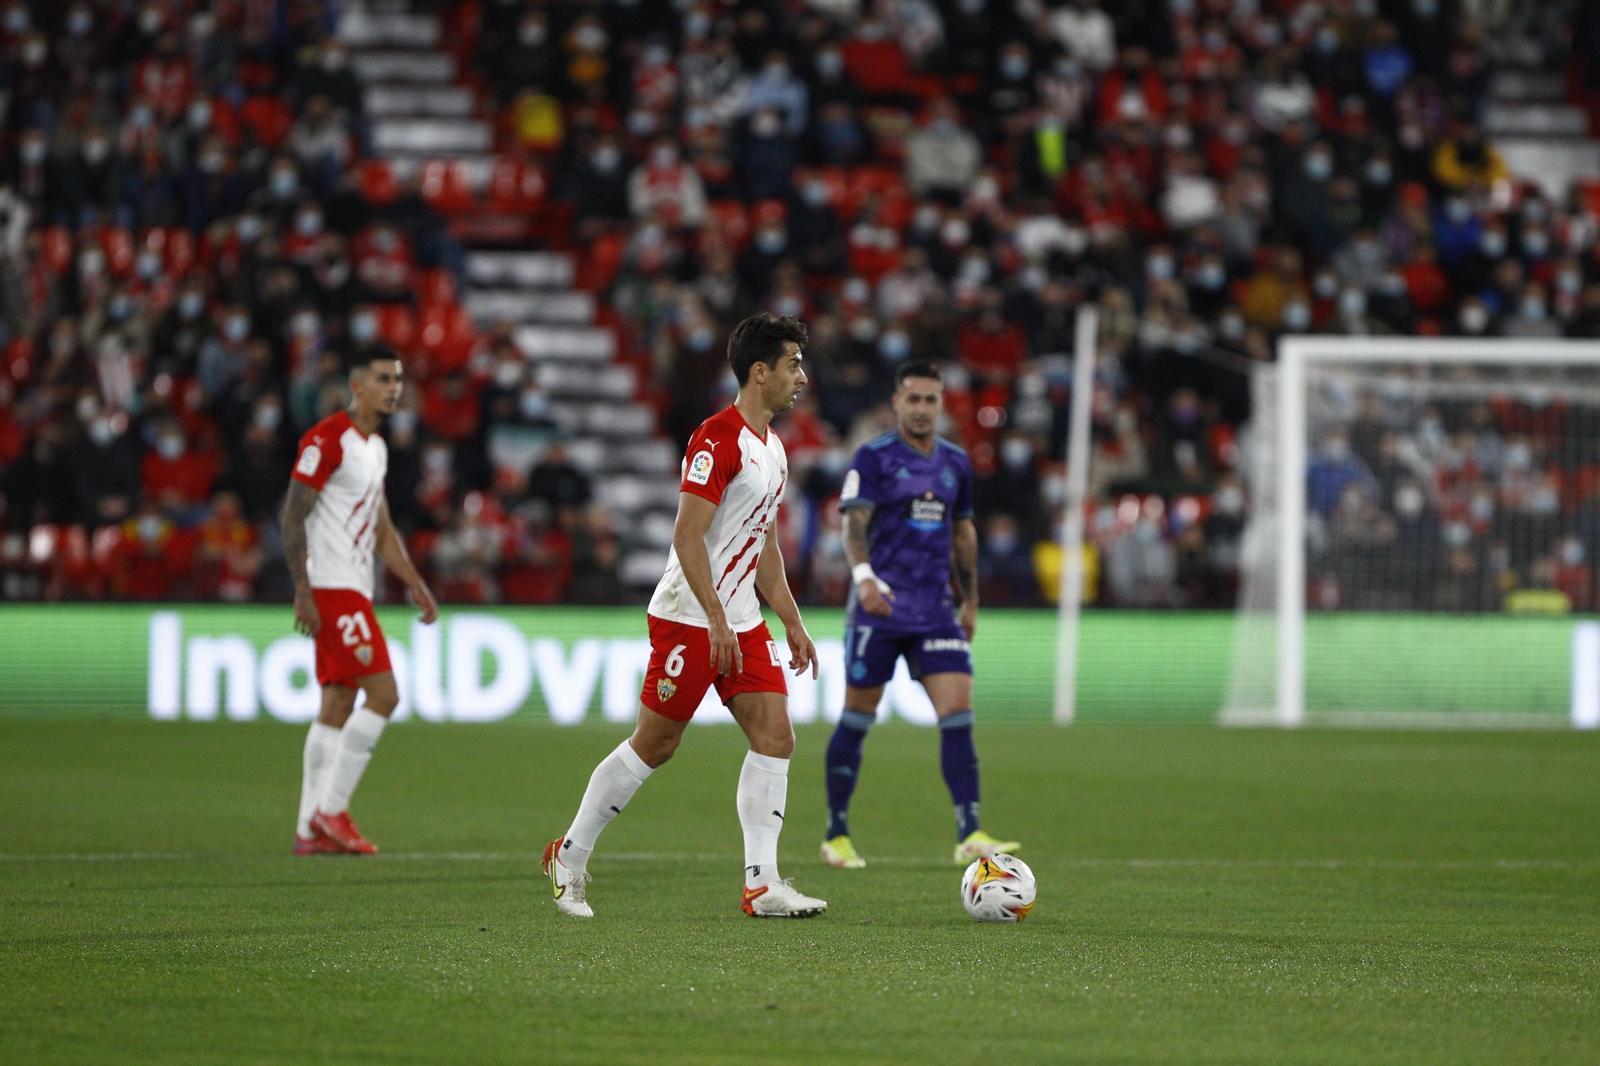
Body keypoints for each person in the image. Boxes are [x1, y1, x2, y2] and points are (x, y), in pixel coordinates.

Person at [542, 314, 827, 919]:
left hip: (741, 618)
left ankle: (762, 884)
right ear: (760, 371)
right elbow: (687, 536)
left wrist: (791, 621)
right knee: (656, 743)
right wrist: (717, 619)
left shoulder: (773, 449)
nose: (802, 376)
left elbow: (764, 543)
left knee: (776, 737)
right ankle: (569, 854)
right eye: (793, 364)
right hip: (689, 617)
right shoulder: (715, 440)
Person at [821, 362, 1020, 869]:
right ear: (896, 402)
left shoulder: (955, 463)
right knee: (856, 718)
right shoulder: (874, 458)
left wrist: (969, 599)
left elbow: (963, 533)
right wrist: (864, 577)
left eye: (931, 400)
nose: (922, 409)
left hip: (934, 609)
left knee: (959, 717)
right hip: (880, 606)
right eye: (913, 399)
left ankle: (970, 831)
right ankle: (837, 832)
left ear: (942, 405)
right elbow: (853, 527)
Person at [282, 345, 439, 856]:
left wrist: (413, 581)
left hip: (353, 588)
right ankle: (332, 808)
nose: (394, 387)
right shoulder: (327, 440)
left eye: (398, 378)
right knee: (385, 694)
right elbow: (292, 514)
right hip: (330, 589)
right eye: (382, 378)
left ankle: (309, 829)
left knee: (337, 702)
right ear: (357, 385)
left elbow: (380, 525)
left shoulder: (375, 448)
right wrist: (303, 590)